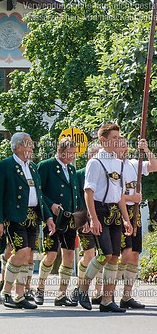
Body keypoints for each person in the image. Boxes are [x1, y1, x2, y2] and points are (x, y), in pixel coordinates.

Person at [0, 132, 55, 309]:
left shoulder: (32, 167)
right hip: (14, 217)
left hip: (33, 216)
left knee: (28, 256)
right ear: (18, 147)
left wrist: (48, 216)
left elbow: (39, 195)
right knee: (21, 252)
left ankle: (20, 295)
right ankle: (6, 292)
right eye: (29, 144)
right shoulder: (5, 165)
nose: (32, 147)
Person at [78, 123, 133, 313]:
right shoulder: (94, 162)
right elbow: (88, 192)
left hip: (115, 212)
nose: (118, 141)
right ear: (103, 140)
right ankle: (82, 288)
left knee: (114, 257)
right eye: (115, 138)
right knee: (104, 254)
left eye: (119, 137)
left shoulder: (118, 163)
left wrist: (126, 219)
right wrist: (93, 218)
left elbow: (120, 196)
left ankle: (107, 300)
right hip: (99, 210)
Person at [34, 137, 82, 306]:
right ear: (60, 151)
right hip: (52, 219)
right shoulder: (46, 166)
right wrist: (50, 205)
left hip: (69, 219)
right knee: (51, 255)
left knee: (69, 255)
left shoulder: (71, 169)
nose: (72, 157)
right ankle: (39, 289)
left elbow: (77, 195)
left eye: (73, 154)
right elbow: (37, 192)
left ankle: (61, 294)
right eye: (69, 154)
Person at [116, 137, 157, 309]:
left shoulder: (134, 163)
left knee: (133, 254)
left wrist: (147, 150)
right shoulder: (110, 166)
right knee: (120, 254)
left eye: (126, 145)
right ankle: (105, 291)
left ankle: (127, 296)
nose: (125, 148)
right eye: (120, 145)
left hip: (135, 212)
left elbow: (155, 166)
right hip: (117, 211)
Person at [72, 143, 102, 303]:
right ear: (90, 157)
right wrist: (83, 219)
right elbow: (77, 198)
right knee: (89, 255)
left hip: (102, 219)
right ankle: (79, 287)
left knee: (103, 254)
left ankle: (99, 291)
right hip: (84, 220)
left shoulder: (106, 173)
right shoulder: (78, 175)